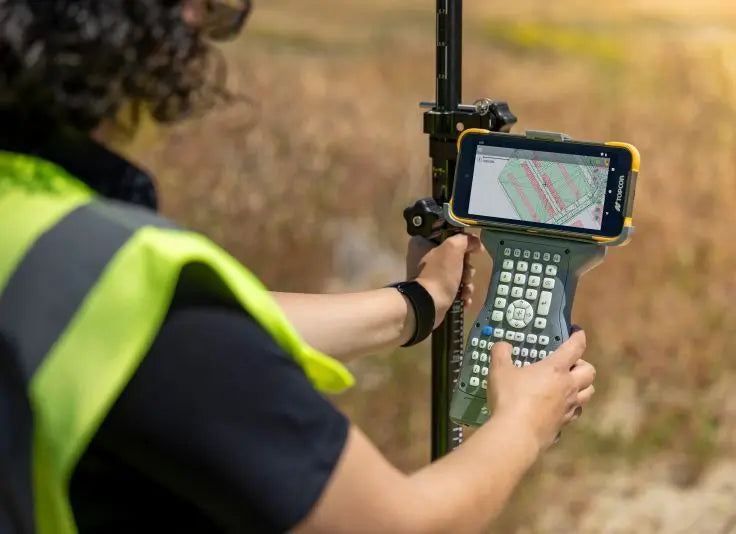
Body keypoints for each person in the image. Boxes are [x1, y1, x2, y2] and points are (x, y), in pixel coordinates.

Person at [0, 1, 597, 533]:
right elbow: (395, 523)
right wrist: (523, 423)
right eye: (214, 13)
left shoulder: (39, 225)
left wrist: (417, 302)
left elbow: (206, 327)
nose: (203, 37)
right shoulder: (136, 284)